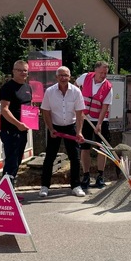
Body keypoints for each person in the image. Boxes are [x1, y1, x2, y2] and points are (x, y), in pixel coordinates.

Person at [39, 66, 87, 198]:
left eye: (66, 75)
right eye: (60, 75)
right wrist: (50, 129)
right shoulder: (50, 92)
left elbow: (79, 113)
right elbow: (46, 111)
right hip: (55, 127)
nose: (63, 78)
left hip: (71, 127)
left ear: (69, 77)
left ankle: (76, 186)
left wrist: (79, 131)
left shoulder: (76, 92)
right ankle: (44, 186)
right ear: (56, 77)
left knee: (75, 158)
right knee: (49, 157)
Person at [76, 61, 113, 189]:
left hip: (100, 120)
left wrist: (99, 124)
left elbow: (105, 107)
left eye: (105, 73)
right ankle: (86, 175)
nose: (103, 75)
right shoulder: (85, 77)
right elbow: (75, 87)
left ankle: (100, 176)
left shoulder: (108, 87)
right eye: (101, 72)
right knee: (84, 148)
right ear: (95, 70)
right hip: (85, 118)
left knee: (102, 149)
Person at [0, 60, 33, 186]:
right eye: (19, 70)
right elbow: (4, 110)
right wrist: (18, 124)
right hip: (11, 131)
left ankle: (10, 191)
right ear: (13, 71)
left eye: (25, 70)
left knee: (17, 161)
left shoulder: (28, 87)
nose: (23, 73)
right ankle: (5, 193)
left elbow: (28, 106)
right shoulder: (7, 88)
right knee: (11, 162)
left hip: (23, 131)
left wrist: (33, 116)